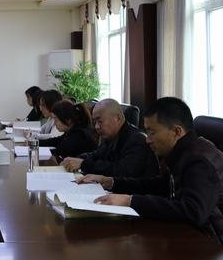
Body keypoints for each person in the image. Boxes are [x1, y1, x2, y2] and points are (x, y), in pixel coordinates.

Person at [79, 97, 223, 243]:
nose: (147, 140)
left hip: (211, 244)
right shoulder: (182, 153)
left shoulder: (199, 161)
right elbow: (159, 185)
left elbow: (193, 211)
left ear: (176, 131)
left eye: (152, 132)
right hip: (188, 234)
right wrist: (111, 182)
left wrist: (130, 201)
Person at [62, 98, 159, 177]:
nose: (96, 127)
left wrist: (83, 164)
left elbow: (122, 171)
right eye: (94, 122)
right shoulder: (112, 137)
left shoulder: (137, 139)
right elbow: (95, 154)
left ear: (117, 118)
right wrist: (76, 159)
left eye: (100, 121)